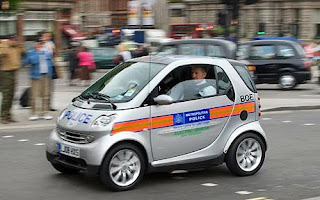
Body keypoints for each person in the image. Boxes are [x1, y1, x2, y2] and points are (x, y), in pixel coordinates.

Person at [26, 39, 54, 121]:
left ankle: (44, 112)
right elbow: (31, 61)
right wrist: (39, 53)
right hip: (36, 76)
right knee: (34, 95)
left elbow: (50, 62)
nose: (40, 45)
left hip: (46, 75)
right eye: (38, 44)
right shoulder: (31, 52)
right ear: (35, 44)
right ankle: (33, 113)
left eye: (41, 44)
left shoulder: (46, 51)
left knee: (45, 95)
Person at [0, 34, 24, 124]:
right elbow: (1, 53)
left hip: (14, 72)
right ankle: (3, 116)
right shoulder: (4, 47)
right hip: (6, 73)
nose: (16, 41)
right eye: (14, 40)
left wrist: (19, 44)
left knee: (12, 95)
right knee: (7, 95)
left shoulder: (16, 47)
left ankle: (8, 115)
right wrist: (4, 44)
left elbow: (22, 51)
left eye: (16, 40)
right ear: (9, 40)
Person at [40, 31, 57, 111]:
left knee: (50, 88)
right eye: (46, 36)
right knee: (42, 88)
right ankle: (42, 105)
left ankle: (49, 105)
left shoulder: (51, 44)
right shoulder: (39, 44)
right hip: (41, 69)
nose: (48, 38)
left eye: (49, 36)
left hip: (50, 68)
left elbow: (53, 54)